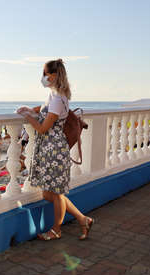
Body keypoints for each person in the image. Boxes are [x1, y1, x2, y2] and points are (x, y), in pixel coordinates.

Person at [17, 59, 94, 241]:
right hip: (49, 149)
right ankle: (83, 219)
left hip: (54, 150)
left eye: (46, 73)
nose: (43, 77)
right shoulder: (55, 96)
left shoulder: (59, 98)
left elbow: (43, 128)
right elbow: (46, 110)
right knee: (48, 193)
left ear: (54, 75)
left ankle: (56, 230)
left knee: (57, 193)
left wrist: (28, 118)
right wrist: (32, 109)